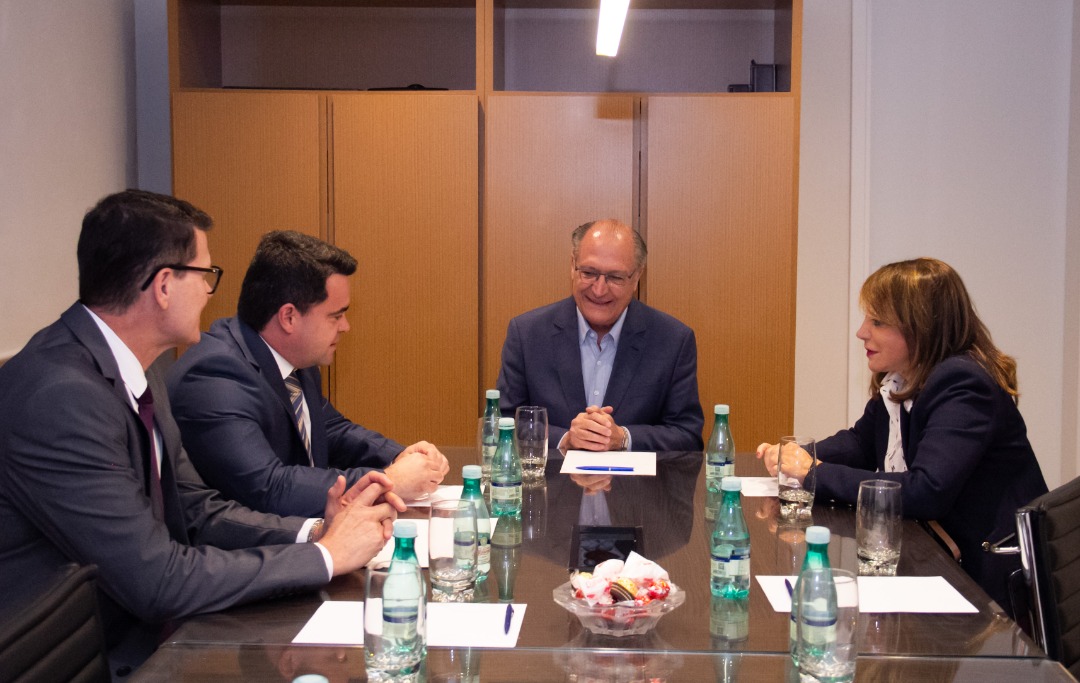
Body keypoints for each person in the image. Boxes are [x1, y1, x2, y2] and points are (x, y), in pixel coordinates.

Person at [0, 190, 406, 675]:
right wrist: (324, 557)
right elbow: (157, 579)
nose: (211, 293)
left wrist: (317, 533)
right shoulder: (59, 397)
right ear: (164, 285)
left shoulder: (135, 368)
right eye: (205, 275)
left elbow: (196, 511)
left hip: (150, 635)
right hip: (84, 659)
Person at [756, 257, 1047, 612]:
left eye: (877, 322)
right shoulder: (904, 379)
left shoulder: (963, 384)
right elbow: (861, 443)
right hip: (938, 556)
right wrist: (797, 454)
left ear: (921, 328)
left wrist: (813, 473)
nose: (862, 332)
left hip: (988, 585)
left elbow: (926, 491)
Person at [167, 230, 449, 518]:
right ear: (289, 317)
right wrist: (388, 480)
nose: (345, 327)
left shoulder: (296, 357)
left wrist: (399, 455)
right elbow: (268, 487)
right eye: (336, 316)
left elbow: (328, 429)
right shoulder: (214, 375)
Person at [497, 219, 704, 452]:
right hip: (552, 477)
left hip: (634, 478)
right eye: (589, 273)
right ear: (573, 266)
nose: (599, 290)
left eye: (615, 277)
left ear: (637, 277)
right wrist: (566, 439)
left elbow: (687, 436)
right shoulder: (527, 334)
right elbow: (503, 422)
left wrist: (624, 438)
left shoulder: (673, 340)